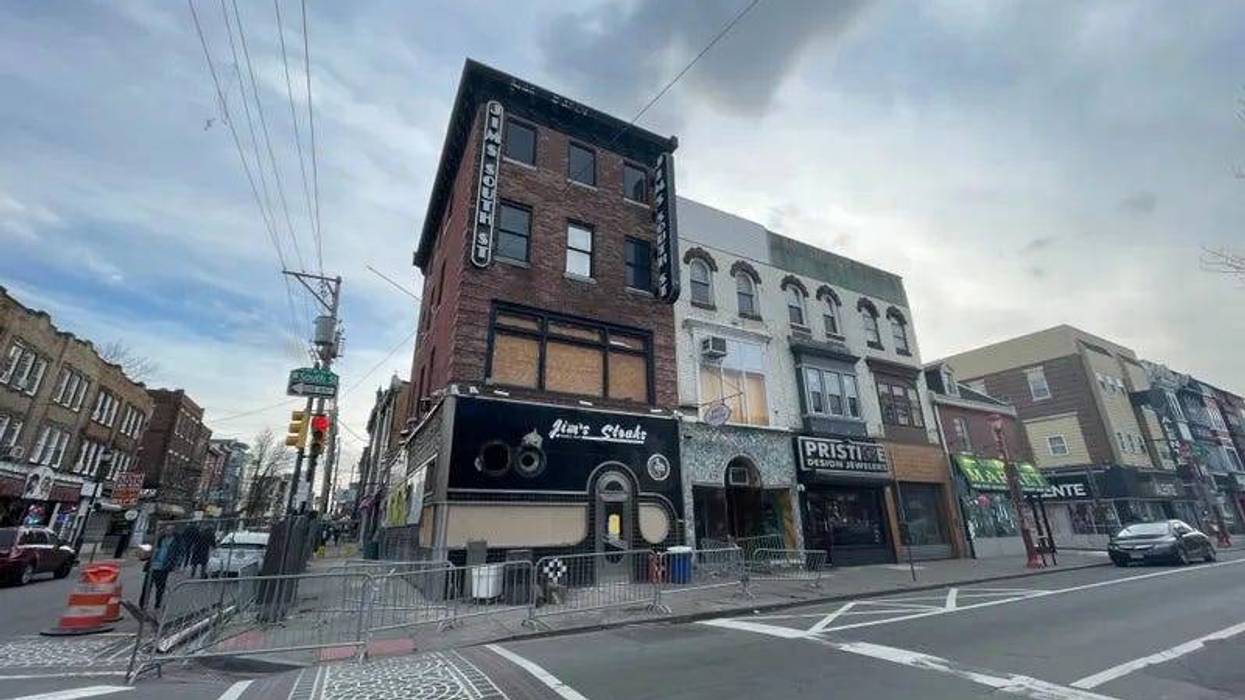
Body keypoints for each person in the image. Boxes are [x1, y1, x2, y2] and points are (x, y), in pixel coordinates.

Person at [143, 526, 177, 609]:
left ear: (173, 531)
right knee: (146, 586)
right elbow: (146, 550)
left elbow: (178, 553)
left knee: (160, 588)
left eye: (169, 530)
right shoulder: (159, 539)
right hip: (152, 566)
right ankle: (143, 604)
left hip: (163, 567)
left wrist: (173, 564)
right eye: (166, 530)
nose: (167, 532)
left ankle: (157, 604)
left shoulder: (175, 541)